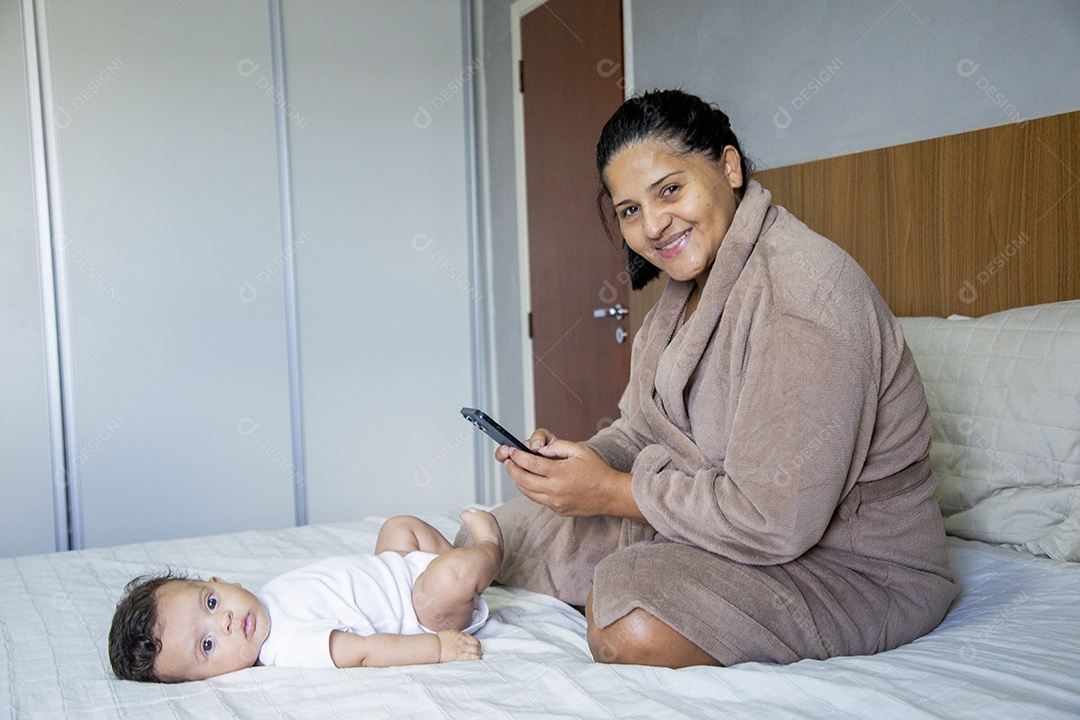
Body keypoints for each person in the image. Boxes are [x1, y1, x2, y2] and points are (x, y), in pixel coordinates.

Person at [461, 89, 958, 668]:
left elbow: (775, 518)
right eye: (630, 210)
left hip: (848, 565)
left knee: (626, 613)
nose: (653, 225)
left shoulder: (804, 297)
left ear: (729, 167)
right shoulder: (683, 297)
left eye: (669, 190)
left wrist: (610, 492)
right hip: (714, 523)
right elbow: (642, 430)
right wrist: (577, 466)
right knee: (494, 535)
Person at [109, 508, 502, 682]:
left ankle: (465, 571)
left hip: (395, 570)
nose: (224, 621)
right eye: (207, 645)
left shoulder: (264, 601)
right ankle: (489, 548)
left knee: (398, 527)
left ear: (220, 582)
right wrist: (438, 648)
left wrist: (395, 564)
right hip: (423, 612)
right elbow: (365, 652)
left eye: (211, 603)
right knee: (449, 579)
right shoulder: (287, 646)